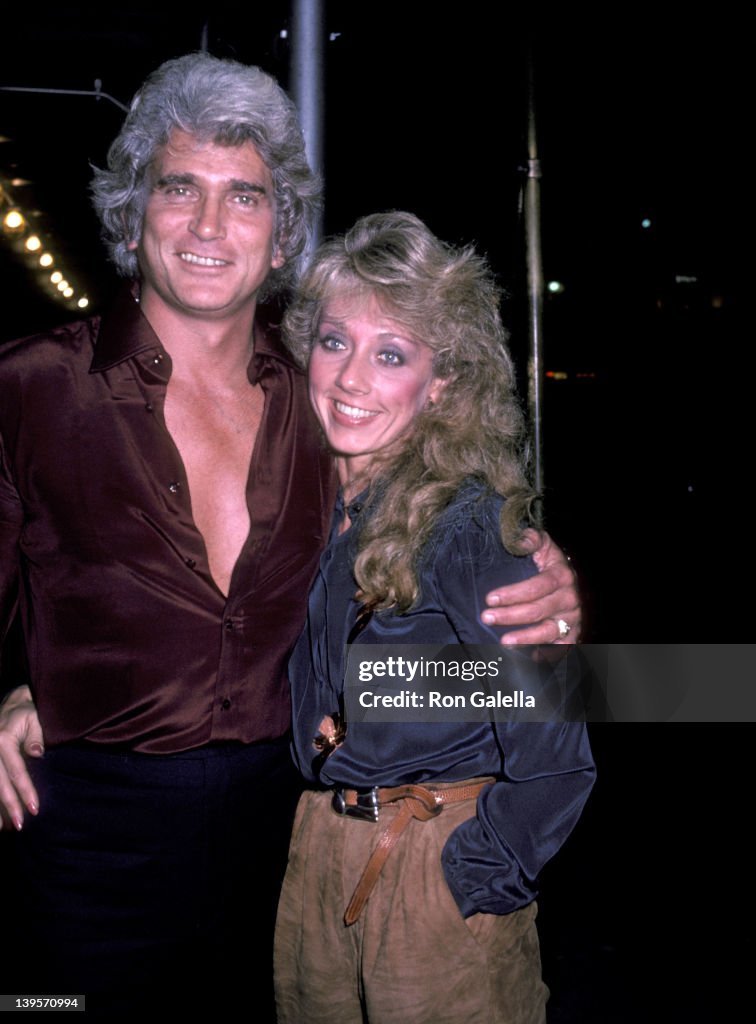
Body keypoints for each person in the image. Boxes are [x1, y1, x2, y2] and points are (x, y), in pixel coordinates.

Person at [0, 54, 579, 1015]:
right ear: (134, 212)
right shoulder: (26, 387)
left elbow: (480, 633)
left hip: (285, 850)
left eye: (247, 197)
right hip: (83, 849)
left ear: (281, 238)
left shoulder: (326, 413)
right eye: (180, 187)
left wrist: (545, 616)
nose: (210, 225)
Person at [273, 212, 595, 1024]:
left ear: (442, 382)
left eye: (391, 355)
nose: (350, 380)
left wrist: (471, 876)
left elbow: (558, 754)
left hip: (431, 874)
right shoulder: (304, 506)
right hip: (318, 855)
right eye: (335, 341)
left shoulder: (469, 527)